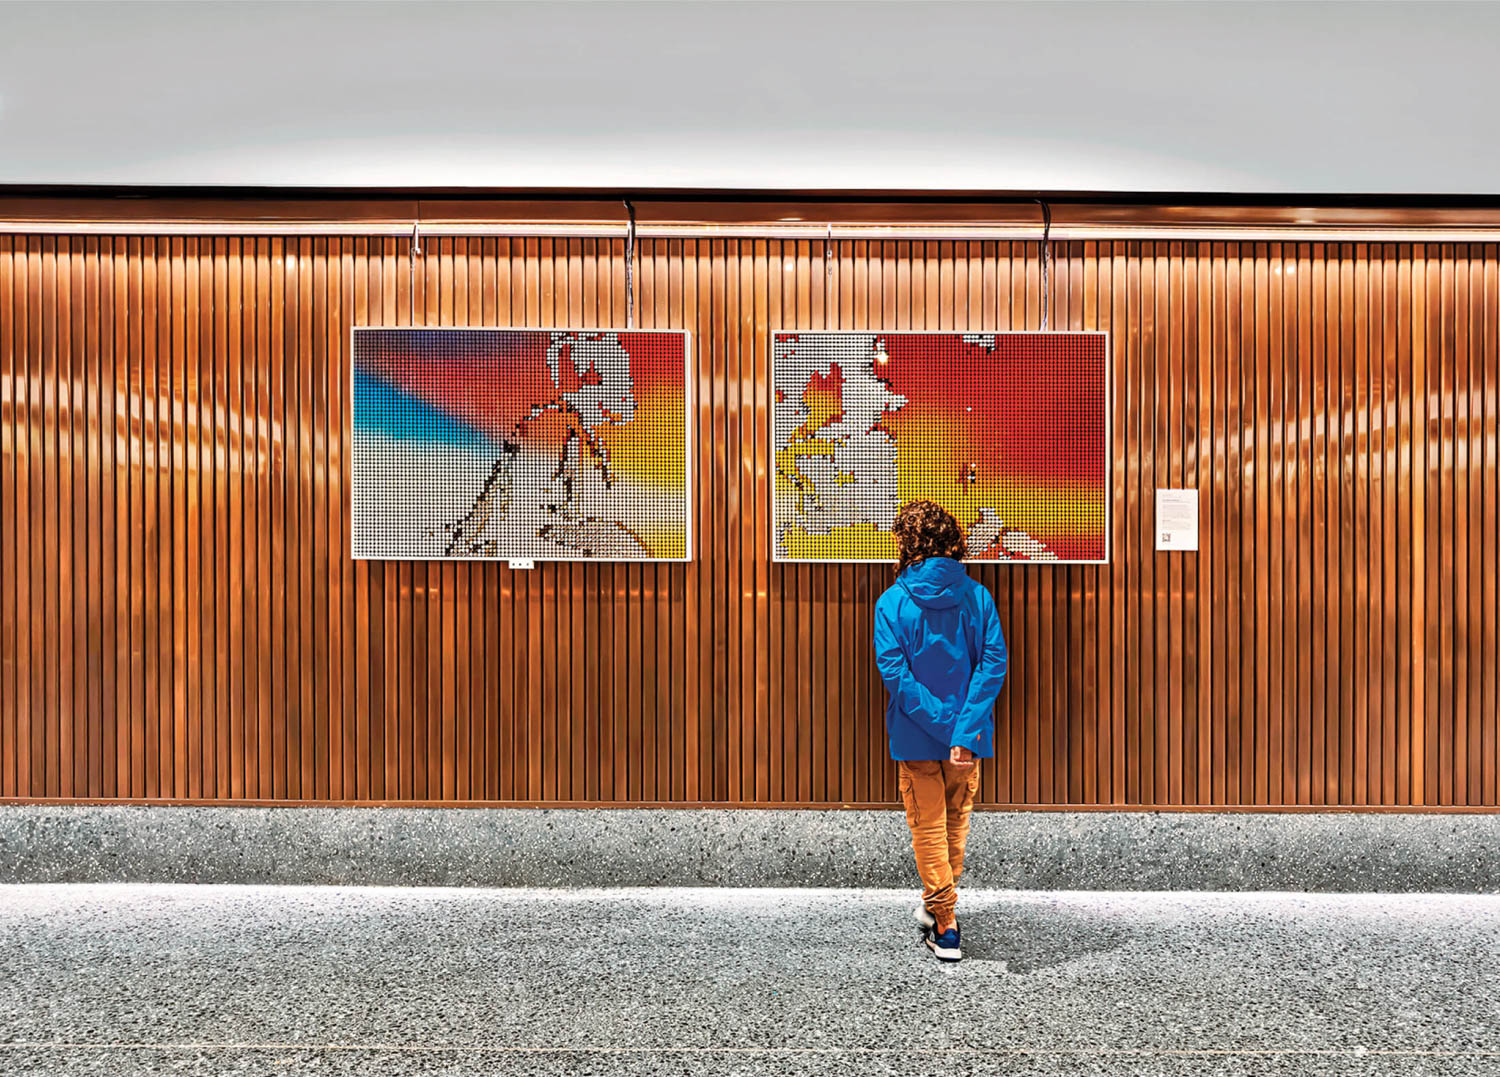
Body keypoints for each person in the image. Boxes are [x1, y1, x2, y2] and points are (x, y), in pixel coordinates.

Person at [874, 500, 1008, 962]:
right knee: (954, 824)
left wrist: (939, 725)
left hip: (915, 735)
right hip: (965, 741)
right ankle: (938, 909)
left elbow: (895, 674)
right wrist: (962, 730)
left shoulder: (891, 602)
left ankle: (946, 925)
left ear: (907, 545)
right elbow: (993, 665)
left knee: (928, 827)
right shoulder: (977, 597)